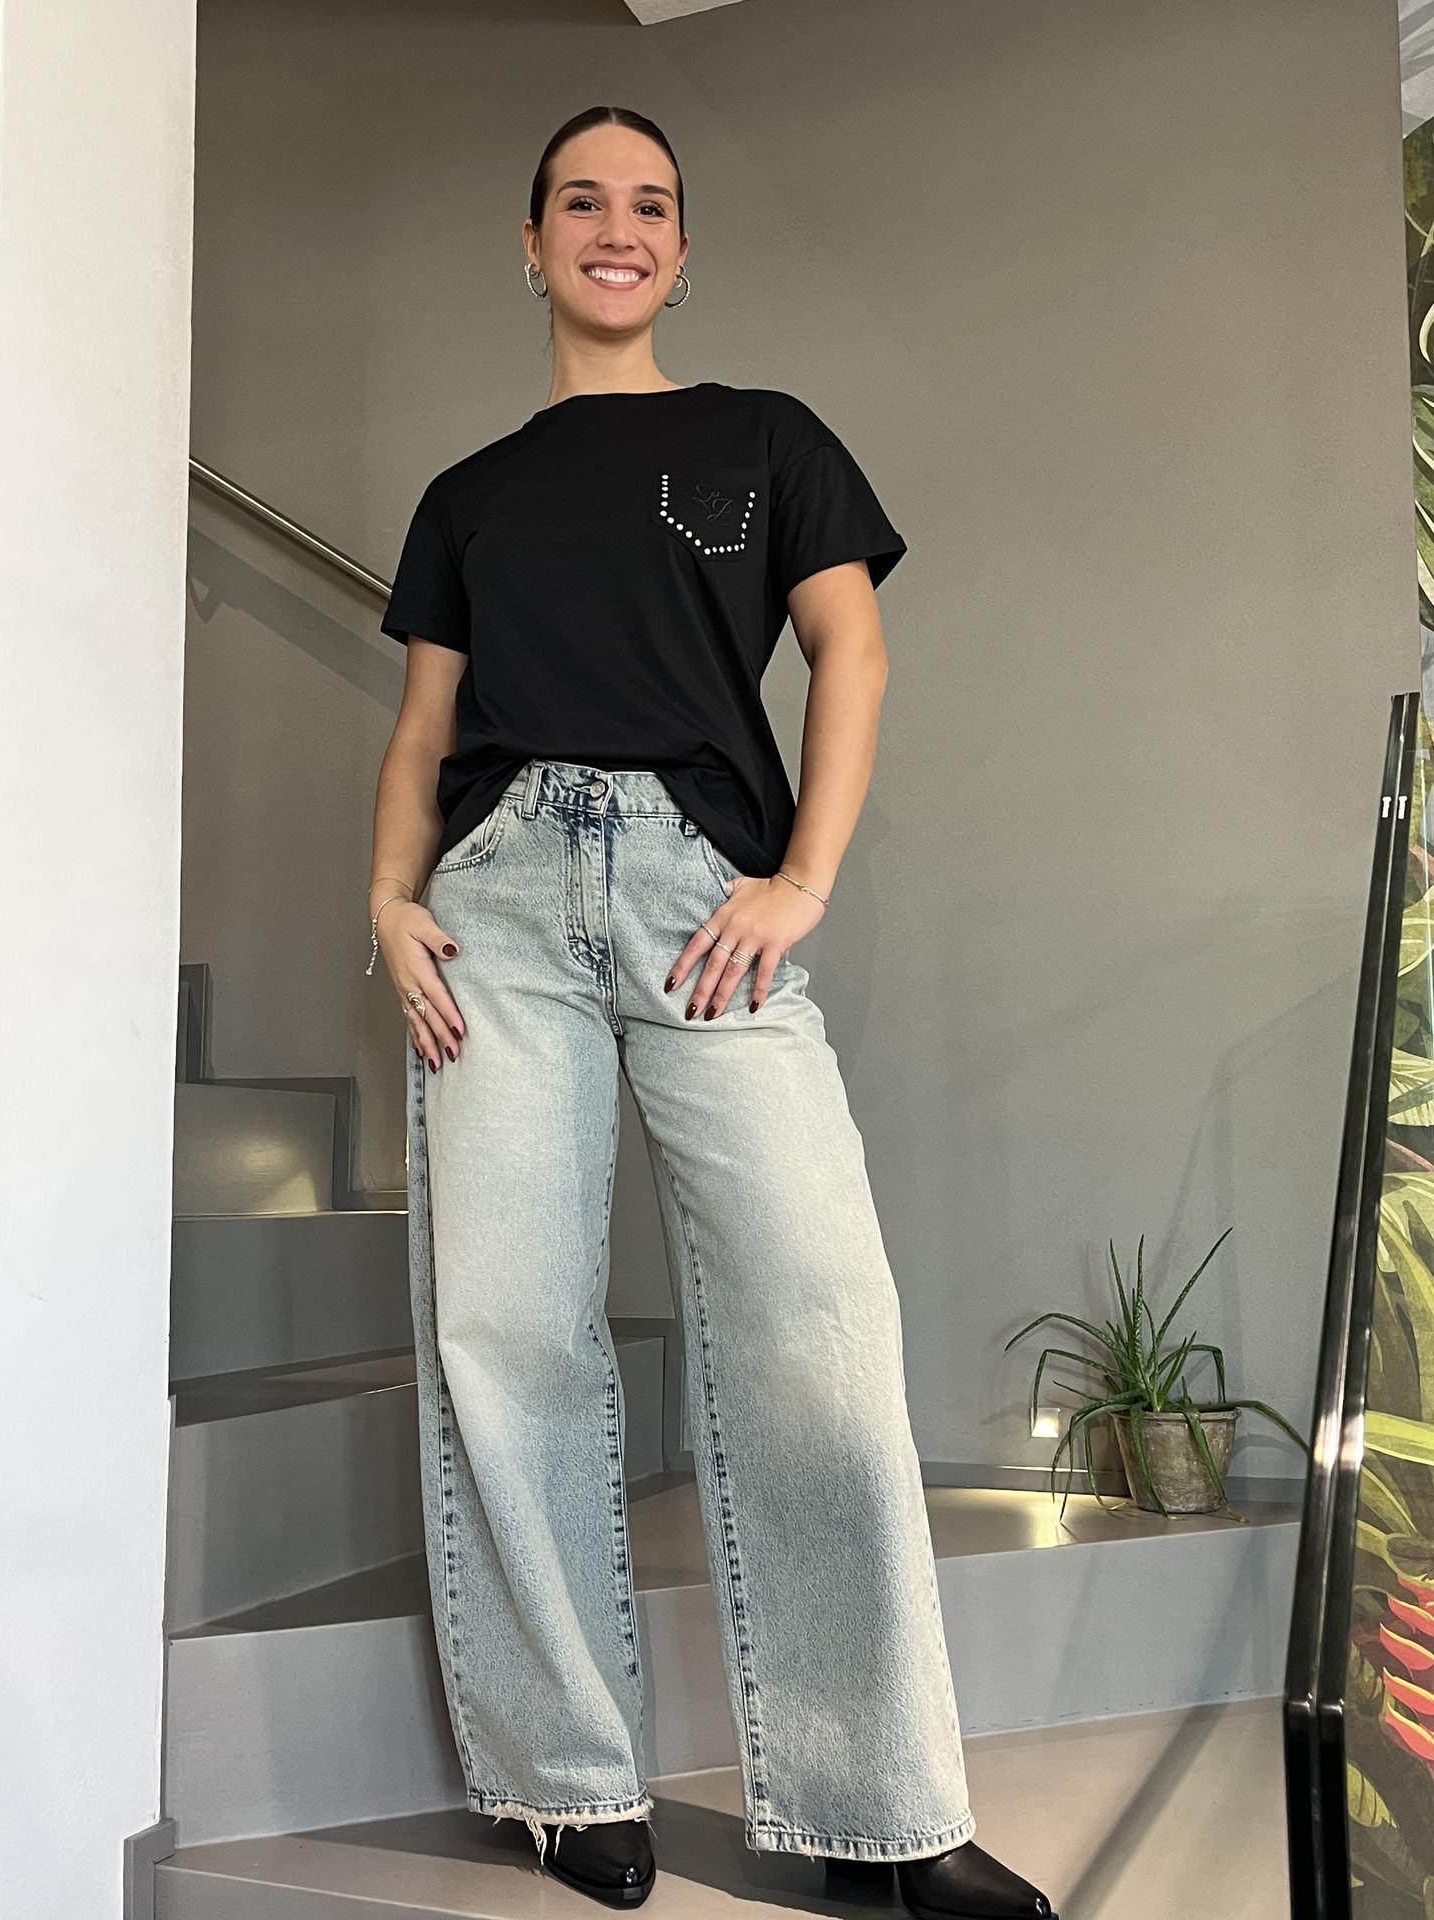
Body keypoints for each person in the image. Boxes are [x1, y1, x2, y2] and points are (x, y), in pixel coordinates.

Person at [366, 104, 1055, 1920]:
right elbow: (425, 735)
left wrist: (804, 877)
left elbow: (853, 651)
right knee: (510, 1329)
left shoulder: (767, 439)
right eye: (582, 202)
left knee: (816, 1315)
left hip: (704, 903)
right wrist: (388, 901)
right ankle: (563, 1779)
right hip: (496, 906)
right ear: (531, 243)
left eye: (650, 206)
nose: (618, 227)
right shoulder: (466, 494)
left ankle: (883, 1806)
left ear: (682, 252)